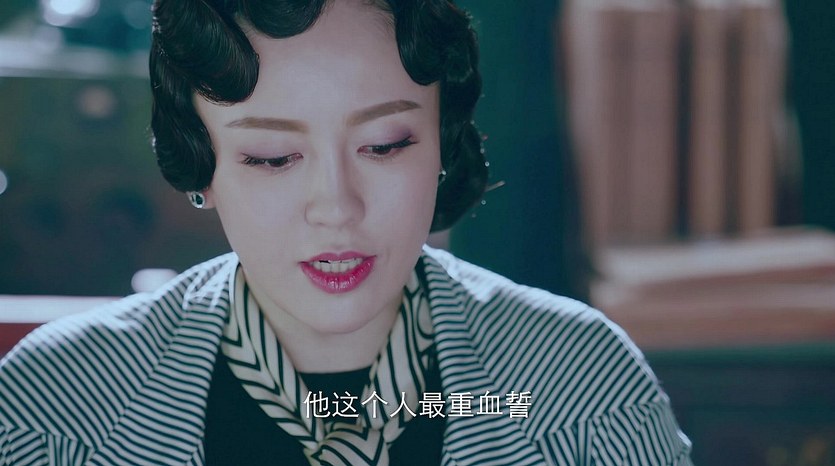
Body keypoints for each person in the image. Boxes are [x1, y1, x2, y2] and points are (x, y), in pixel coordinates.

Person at [0, 0, 693, 464]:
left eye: (384, 145)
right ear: (199, 160)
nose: (335, 207)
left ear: (443, 141)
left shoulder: (577, 386)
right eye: (272, 157)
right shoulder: (58, 407)